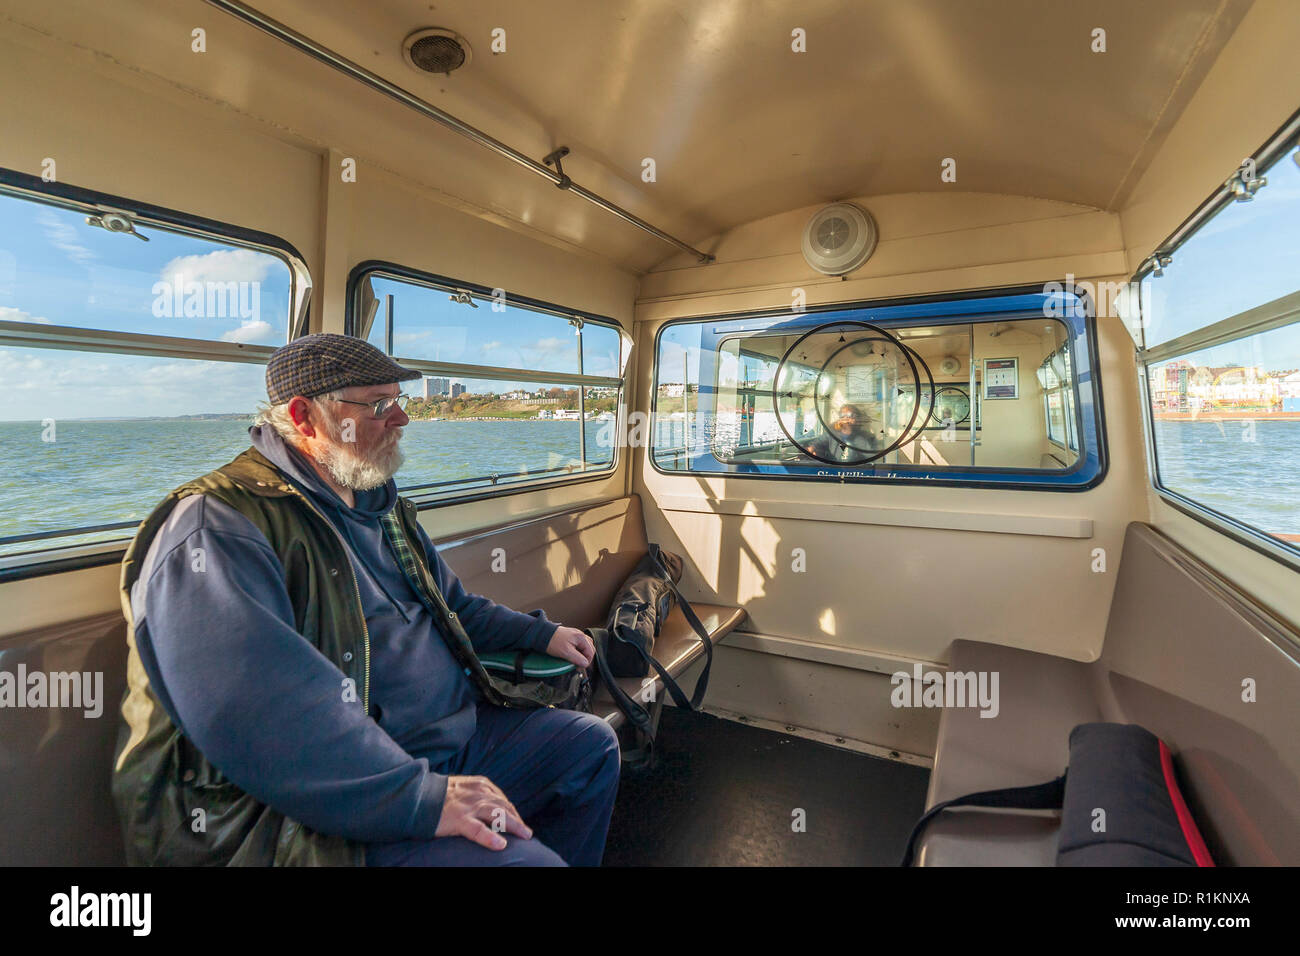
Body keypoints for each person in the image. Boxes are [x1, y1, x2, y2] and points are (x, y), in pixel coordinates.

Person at [112, 333, 620, 867]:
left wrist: (542, 634)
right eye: (380, 404)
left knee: (587, 747)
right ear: (305, 416)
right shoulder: (217, 529)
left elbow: (454, 607)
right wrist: (420, 798)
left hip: (454, 739)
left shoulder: (381, 506)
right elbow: (260, 713)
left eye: (399, 401)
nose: (401, 418)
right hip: (336, 793)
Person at [805, 403, 882, 463]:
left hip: (856, 472)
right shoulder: (832, 433)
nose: (845, 418)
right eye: (842, 415)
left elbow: (871, 456)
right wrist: (812, 448)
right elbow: (818, 442)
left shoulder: (867, 437)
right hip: (834, 471)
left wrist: (849, 430)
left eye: (849, 415)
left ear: (856, 419)